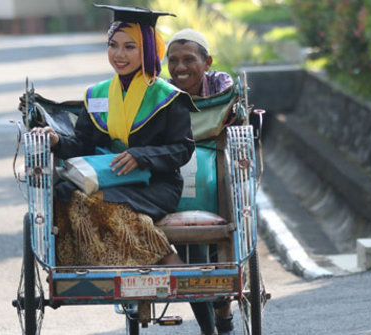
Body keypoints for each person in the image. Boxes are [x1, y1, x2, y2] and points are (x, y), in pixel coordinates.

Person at [30, 5, 195, 268]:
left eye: (130, 47)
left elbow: (182, 150)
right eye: (113, 45)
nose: (119, 55)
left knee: (93, 203)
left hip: (155, 184)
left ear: (149, 50)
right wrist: (56, 141)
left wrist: (141, 156)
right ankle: (154, 260)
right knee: (62, 196)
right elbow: (83, 145)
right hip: (106, 177)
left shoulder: (168, 98)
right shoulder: (97, 95)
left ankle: (166, 259)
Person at [167, 28, 237, 335]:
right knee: (191, 254)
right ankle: (212, 330)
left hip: (216, 170)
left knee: (219, 252)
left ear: (206, 61)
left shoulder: (221, 84)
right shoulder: (163, 93)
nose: (180, 68)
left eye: (188, 59)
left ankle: (223, 314)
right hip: (179, 178)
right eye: (173, 61)